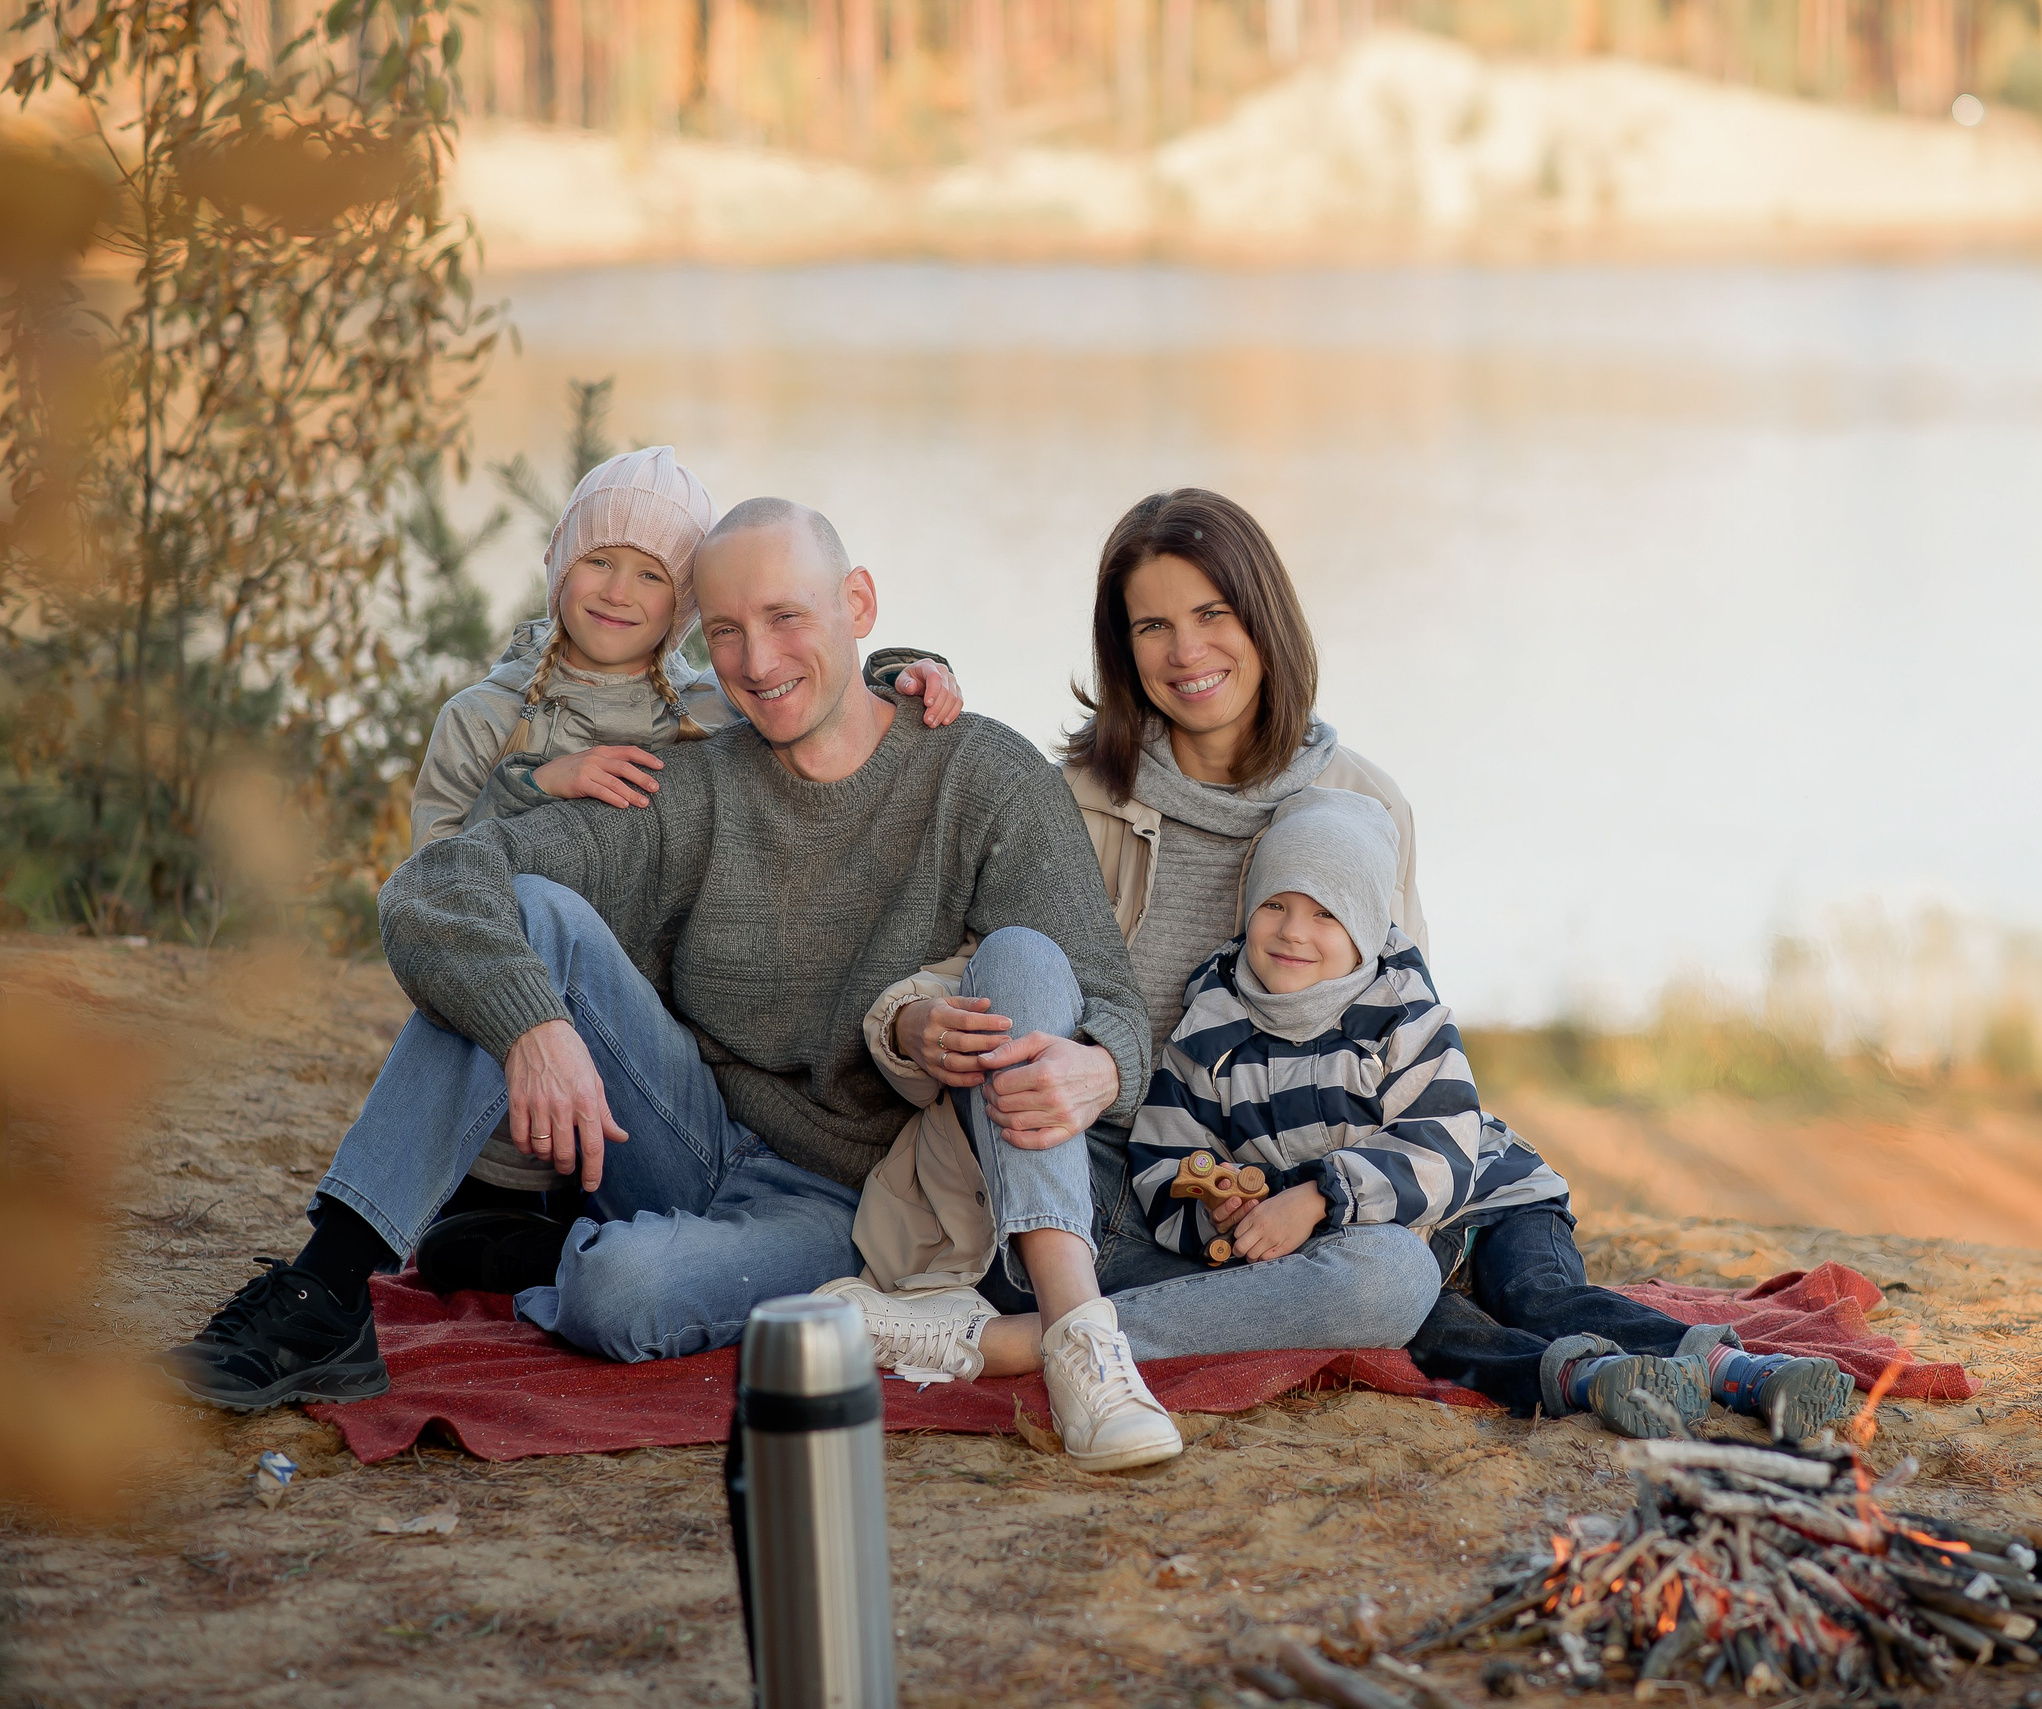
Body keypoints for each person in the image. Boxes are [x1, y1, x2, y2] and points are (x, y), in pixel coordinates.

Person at [154, 497, 1192, 1471]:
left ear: (860, 606)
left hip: (852, 1202)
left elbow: (1092, 987)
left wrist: (1100, 1066)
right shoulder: (692, 784)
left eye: (787, 617)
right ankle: (327, 1286)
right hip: (683, 1132)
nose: (757, 660)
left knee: (618, 1292)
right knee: (532, 919)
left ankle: (562, 1244)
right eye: (727, 631)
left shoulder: (982, 774)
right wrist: (531, 1028)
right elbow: (433, 886)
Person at [818, 490, 1445, 1399]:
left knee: (1395, 1276)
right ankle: (1081, 1312)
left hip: (1252, 1215)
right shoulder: (1068, 795)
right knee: (1027, 950)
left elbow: (1404, 1038)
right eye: (1152, 624)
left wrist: (1297, 1196)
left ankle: (1027, 1342)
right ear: (1123, 649)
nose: (1186, 652)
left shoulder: (1365, 809)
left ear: (1264, 618)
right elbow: (988, 973)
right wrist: (910, 1022)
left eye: (1211, 614)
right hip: (1061, 1189)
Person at [1127, 788, 1858, 1444]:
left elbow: (1439, 1142)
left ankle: (1738, 1370)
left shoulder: (1401, 1008)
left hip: (1489, 1201)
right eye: (1275, 904)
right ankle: (1585, 1379)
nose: (1293, 931)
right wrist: (1215, 1208)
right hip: (1376, 1247)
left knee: (1533, 1294)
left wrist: (1317, 1195)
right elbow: (1165, 1153)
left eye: (1327, 913)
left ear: (1366, 927)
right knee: (1425, 1328)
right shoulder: (1211, 1025)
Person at [399, 446, 960, 1295]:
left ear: (688, 604)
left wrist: (907, 671)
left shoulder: (707, 713)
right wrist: (532, 786)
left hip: (640, 1084)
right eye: (598, 561)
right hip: (504, 1096)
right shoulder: (485, 721)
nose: (619, 591)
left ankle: (586, 1238)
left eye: (652, 575)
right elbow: (434, 891)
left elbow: (812, 693)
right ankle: (367, 1254)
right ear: (559, 558)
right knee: (453, 1249)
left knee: (584, 1244)